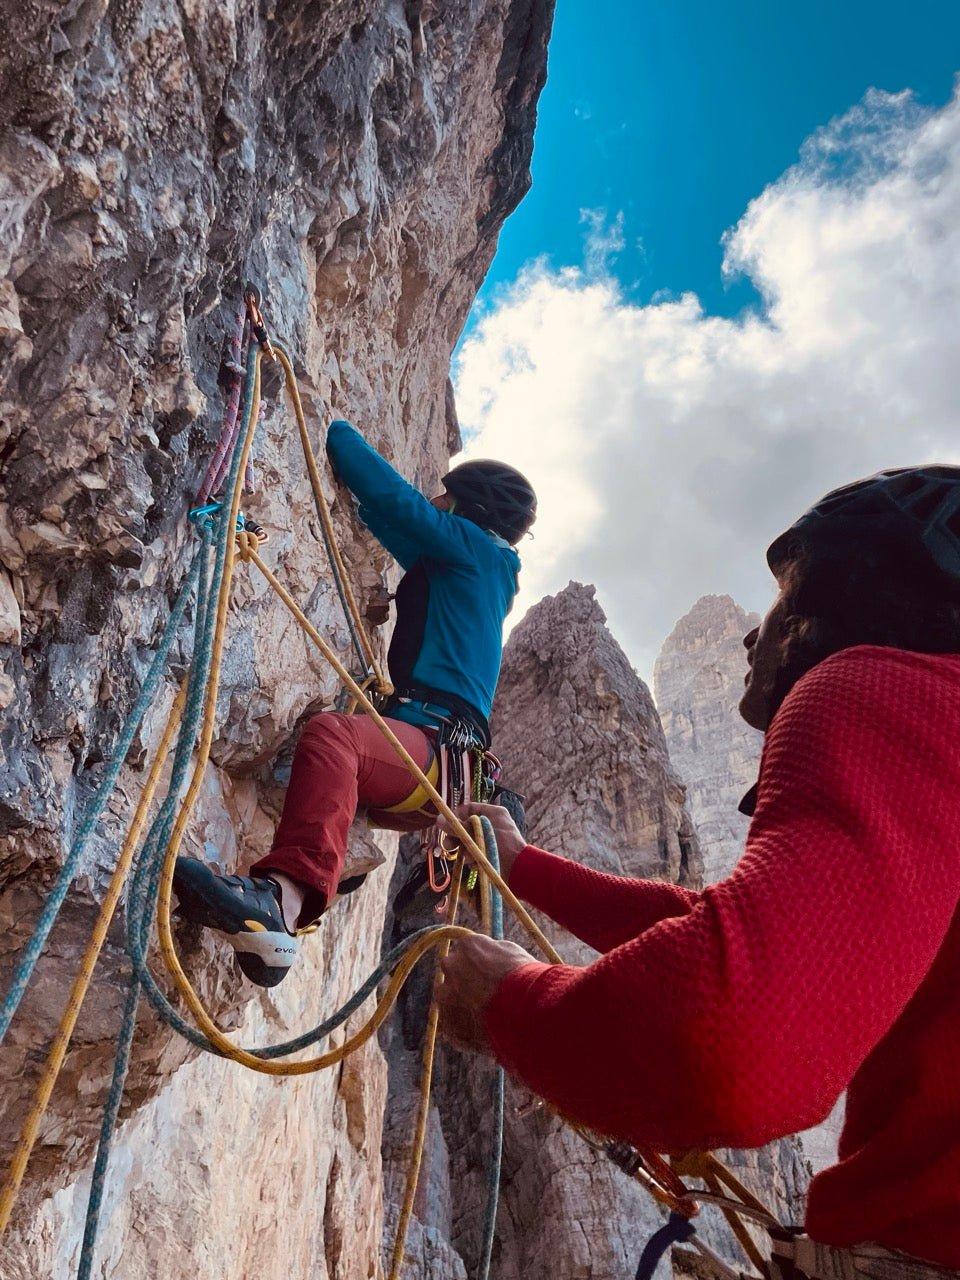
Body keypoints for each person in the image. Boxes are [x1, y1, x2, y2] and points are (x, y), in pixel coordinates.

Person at [436, 466, 960, 1275]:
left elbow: (728, 1044)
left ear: (831, 612)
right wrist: (526, 868)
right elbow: (739, 926)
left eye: (785, 594)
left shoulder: (878, 690)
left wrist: (513, 1003)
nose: (756, 633)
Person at [174, 418, 536, 987]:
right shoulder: (473, 567)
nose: (436, 500)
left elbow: (394, 498)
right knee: (336, 766)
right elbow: (396, 524)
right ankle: (336, 866)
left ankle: (282, 904)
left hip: (431, 752)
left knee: (332, 736)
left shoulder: (474, 551)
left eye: (448, 496)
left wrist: (334, 428)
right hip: (434, 775)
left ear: (472, 511)